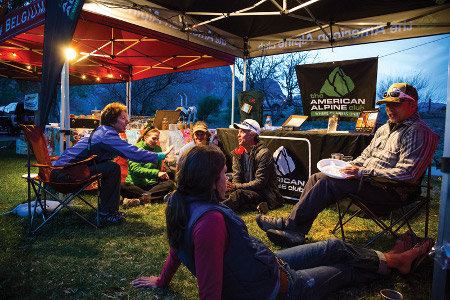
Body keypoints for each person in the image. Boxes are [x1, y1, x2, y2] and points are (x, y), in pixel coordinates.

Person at [132, 146, 434, 300]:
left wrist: (161, 281)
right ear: (209, 181)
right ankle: (398, 261)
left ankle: (395, 259)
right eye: (223, 174)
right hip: (279, 287)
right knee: (344, 271)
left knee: (333, 245)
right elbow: (210, 293)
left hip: (268, 265)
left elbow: (175, 249)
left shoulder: (177, 202)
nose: (227, 179)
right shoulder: (210, 222)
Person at [256, 83, 439, 246]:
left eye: (396, 104)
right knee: (317, 177)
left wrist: (362, 172)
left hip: (391, 192)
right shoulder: (384, 129)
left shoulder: (419, 132)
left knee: (330, 183)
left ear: (413, 104)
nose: (390, 109)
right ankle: (296, 232)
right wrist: (342, 167)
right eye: (387, 104)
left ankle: (288, 224)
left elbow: (408, 174)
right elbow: (365, 156)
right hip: (368, 182)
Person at [50, 103, 173, 224]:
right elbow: (132, 152)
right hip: (64, 175)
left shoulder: (101, 132)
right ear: (112, 121)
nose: (127, 122)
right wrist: (161, 155)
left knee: (110, 166)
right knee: (112, 167)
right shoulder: (106, 135)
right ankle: (107, 214)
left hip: (60, 172)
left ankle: (109, 211)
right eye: (123, 118)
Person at [222, 119, 284, 213]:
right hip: (245, 190)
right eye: (239, 132)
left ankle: (217, 211)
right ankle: (256, 206)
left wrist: (235, 187)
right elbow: (236, 178)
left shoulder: (263, 153)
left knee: (238, 195)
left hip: (263, 192)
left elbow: (260, 183)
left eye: (242, 132)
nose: (238, 135)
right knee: (223, 191)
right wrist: (233, 187)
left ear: (252, 134)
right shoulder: (238, 152)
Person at [120, 127, 175, 203]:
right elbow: (135, 170)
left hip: (152, 185)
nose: (156, 141)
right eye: (153, 139)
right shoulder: (136, 149)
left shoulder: (158, 149)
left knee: (170, 183)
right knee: (122, 186)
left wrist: (161, 175)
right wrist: (157, 173)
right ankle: (156, 197)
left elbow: (158, 168)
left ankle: (139, 200)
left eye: (157, 139)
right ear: (145, 137)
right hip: (137, 185)